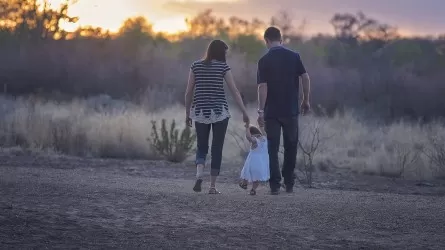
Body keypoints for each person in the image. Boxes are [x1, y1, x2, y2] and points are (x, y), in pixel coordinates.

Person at [185, 39, 250, 194]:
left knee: (202, 146)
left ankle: (199, 174)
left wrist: (188, 113)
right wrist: (244, 112)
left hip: (200, 112)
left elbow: (188, 92)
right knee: (217, 148)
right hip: (219, 112)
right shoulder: (223, 67)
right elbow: (234, 91)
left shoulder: (196, 66)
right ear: (221, 52)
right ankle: (212, 186)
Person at [256, 27, 311, 195]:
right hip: (291, 110)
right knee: (291, 147)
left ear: (266, 41)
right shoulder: (294, 57)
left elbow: (262, 87)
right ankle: (289, 183)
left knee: (272, 148)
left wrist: (260, 111)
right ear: (281, 39)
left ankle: (274, 185)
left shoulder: (264, 60)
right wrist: (305, 100)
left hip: (272, 112)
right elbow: (305, 77)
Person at [239, 124, 270, 196]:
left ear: (252, 134)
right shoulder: (265, 138)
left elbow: (248, 137)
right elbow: (263, 130)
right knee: (257, 177)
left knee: (246, 172)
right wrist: (261, 124)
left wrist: (247, 128)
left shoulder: (255, 140)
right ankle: (253, 189)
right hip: (262, 162)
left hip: (252, 161)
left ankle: (244, 184)